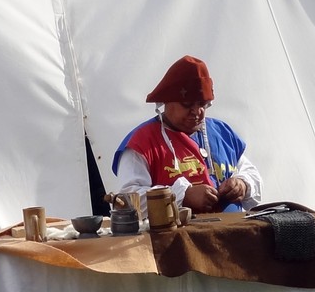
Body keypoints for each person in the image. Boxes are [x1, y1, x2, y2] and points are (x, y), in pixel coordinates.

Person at [112, 55, 262, 214]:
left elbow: (252, 174)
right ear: (167, 101)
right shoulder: (142, 142)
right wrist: (182, 195)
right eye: (187, 104)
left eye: (202, 104)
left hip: (235, 229)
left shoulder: (222, 133)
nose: (197, 112)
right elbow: (128, 200)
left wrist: (242, 184)